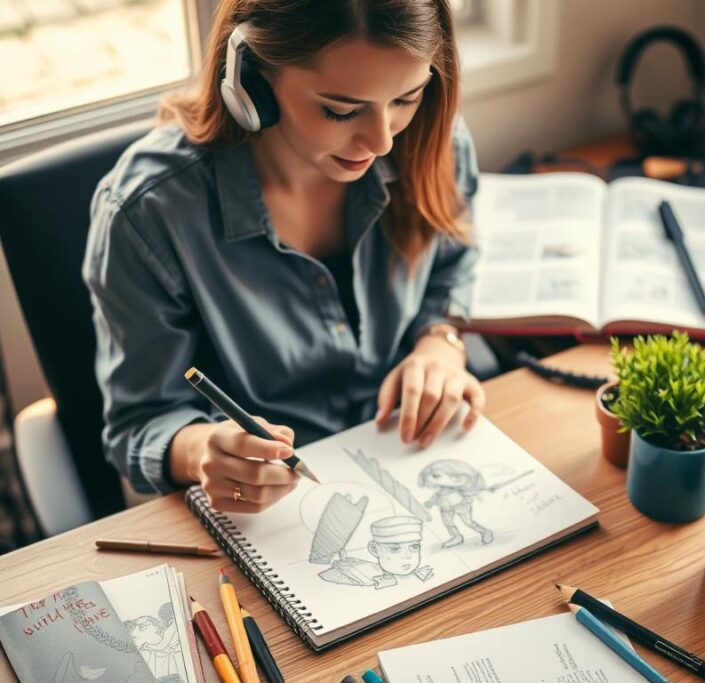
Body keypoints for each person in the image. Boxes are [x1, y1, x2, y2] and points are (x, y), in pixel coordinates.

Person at [84, 0, 484, 514]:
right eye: (341, 109)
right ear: (249, 79)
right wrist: (202, 451)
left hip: (415, 460)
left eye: (407, 97)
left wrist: (440, 342)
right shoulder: (148, 211)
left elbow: (453, 261)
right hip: (272, 513)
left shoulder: (433, 136)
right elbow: (139, 423)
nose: (382, 140)